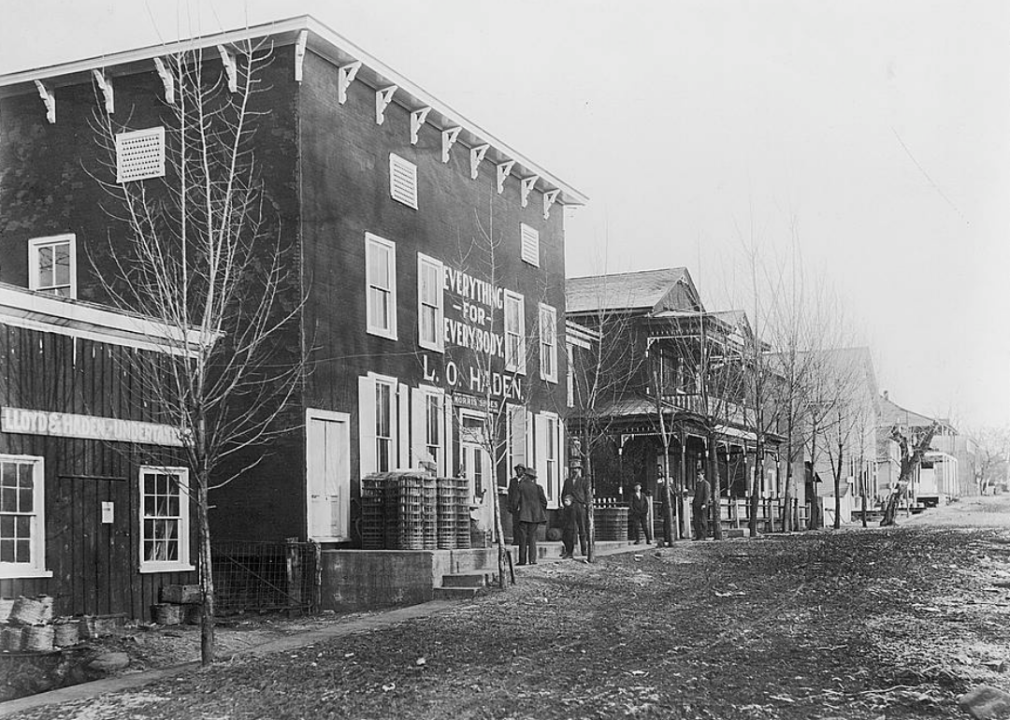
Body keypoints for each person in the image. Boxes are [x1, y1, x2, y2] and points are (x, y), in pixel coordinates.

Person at [515, 467, 548, 565]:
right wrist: (538, 510)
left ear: (525, 476)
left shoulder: (520, 486)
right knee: (532, 538)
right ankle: (532, 560)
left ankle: (522, 560)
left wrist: (515, 510)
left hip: (523, 515)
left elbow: (516, 501)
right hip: (535, 516)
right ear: (533, 478)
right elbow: (544, 502)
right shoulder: (538, 488)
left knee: (523, 538)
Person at [562, 468, 592, 557]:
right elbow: (563, 494)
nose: (575, 471)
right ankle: (569, 551)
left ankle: (584, 550)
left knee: (582, 529)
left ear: (580, 470)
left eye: (577, 469)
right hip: (570, 508)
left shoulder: (583, 481)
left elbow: (588, 495)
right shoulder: (567, 482)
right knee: (570, 530)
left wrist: (585, 504)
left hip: (580, 507)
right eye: (573, 469)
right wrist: (566, 503)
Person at [507, 464, 525, 546]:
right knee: (515, 523)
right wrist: (510, 504)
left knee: (523, 524)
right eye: (517, 470)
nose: (519, 471)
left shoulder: (525, 481)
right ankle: (516, 540)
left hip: (523, 506)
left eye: (520, 470)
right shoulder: (513, 481)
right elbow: (510, 493)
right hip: (515, 506)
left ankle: (523, 540)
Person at [692, 471, 711, 541]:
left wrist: (704, 504)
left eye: (699, 474)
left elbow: (707, 495)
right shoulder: (697, 484)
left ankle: (703, 536)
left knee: (703, 521)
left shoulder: (706, 484)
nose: (698, 476)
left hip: (702, 505)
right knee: (696, 521)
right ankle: (698, 535)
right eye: (697, 474)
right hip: (696, 505)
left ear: (703, 475)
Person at [560, 494, 576, 558]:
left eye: (567, 501)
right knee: (565, 539)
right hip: (566, 526)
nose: (565, 502)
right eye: (565, 501)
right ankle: (568, 551)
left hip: (570, 526)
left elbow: (571, 518)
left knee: (569, 540)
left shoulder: (572, 509)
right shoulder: (566, 508)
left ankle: (569, 552)